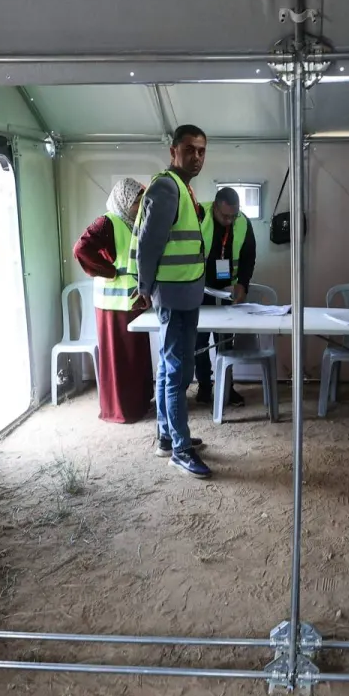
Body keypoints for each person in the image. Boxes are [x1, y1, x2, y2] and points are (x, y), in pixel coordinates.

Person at [131, 125, 212, 478]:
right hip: (174, 295)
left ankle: (168, 436)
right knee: (179, 372)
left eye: (202, 151)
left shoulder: (183, 188)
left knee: (170, 367)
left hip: (186, 293)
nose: (197, 156)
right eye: (190, 149)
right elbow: (150, 244)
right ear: (173, 150)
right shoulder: (166, 186)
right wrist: (144, 287)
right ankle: (179, 448)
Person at [72, 178, 152, 423]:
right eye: (137, 201)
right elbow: (81, 249)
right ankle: (120, 410)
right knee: (119, 359)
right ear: (124, 200)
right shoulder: (107, 222)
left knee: (136, 356)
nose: (140, 205)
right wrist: (108, 271)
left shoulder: (134, 223)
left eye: (141, 200)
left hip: (133, 301)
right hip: (113, 306)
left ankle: (139, 403)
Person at [194, 187, 256, 406]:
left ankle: (227, 388)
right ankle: (204, 387)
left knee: (226, 341)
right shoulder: (198, 214)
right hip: (200, 288)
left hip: (228, 290)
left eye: (234, 215)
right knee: (199, 341)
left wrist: (243, 284)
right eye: (224, 216)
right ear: (215, 207)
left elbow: (249, 256)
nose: (229, 220)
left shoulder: (243, 223)